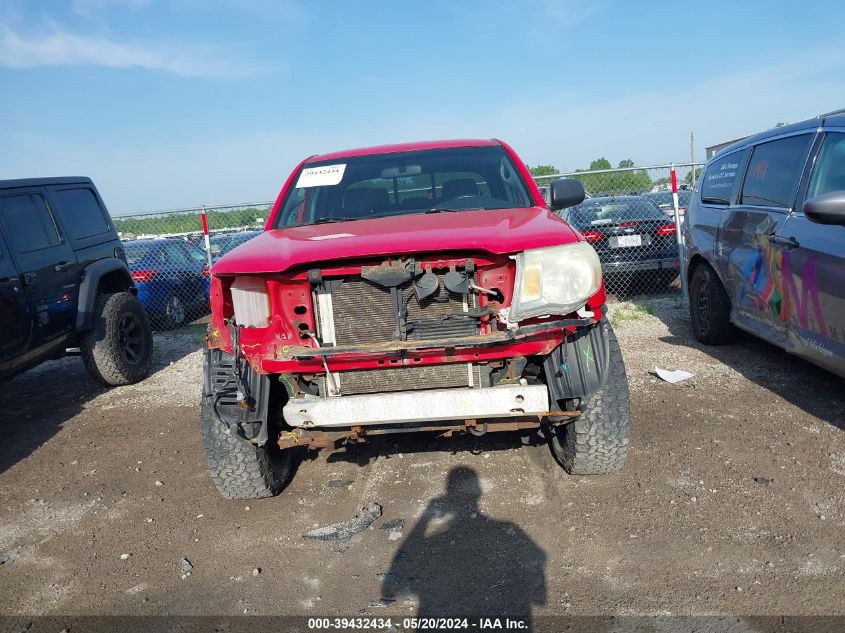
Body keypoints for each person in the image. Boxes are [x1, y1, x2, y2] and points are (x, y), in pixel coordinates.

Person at [381, 466, 547, 622]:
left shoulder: (435, 541)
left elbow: (393, 581)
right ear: (479, 493)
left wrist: (426, 517)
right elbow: (538, 558)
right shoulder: (509, 528)